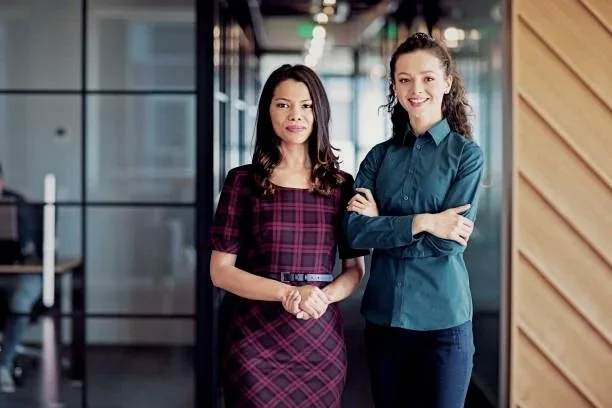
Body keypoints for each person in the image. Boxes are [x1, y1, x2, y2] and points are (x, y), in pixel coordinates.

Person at [209, 64, 368, 408]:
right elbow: (220, 271)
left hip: (319, 339)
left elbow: (355, 269)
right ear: (267, 111)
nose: (295, 115)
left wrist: (320, 299)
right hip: (253, 342)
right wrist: (288, 293)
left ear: (320, 112)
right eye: (283, 105)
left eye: (306, 105)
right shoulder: (242, 181)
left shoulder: (341, 185)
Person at [344, 32, 484, 408]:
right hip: (384, 319)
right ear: (393, 86)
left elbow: (447, 243)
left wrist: (384, 225)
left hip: (444, 321)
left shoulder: (466, 156)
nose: (415, 88)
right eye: (404, 79)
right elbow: (355, 233)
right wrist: (423, 221)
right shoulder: (378, 156)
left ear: (447, 82)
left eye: (427, 78)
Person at [0, 163, 42, 393]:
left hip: (24, 273)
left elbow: (27, 248)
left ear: (2, 182)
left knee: (19, 301)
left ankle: (3, 367)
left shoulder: (18, 205)